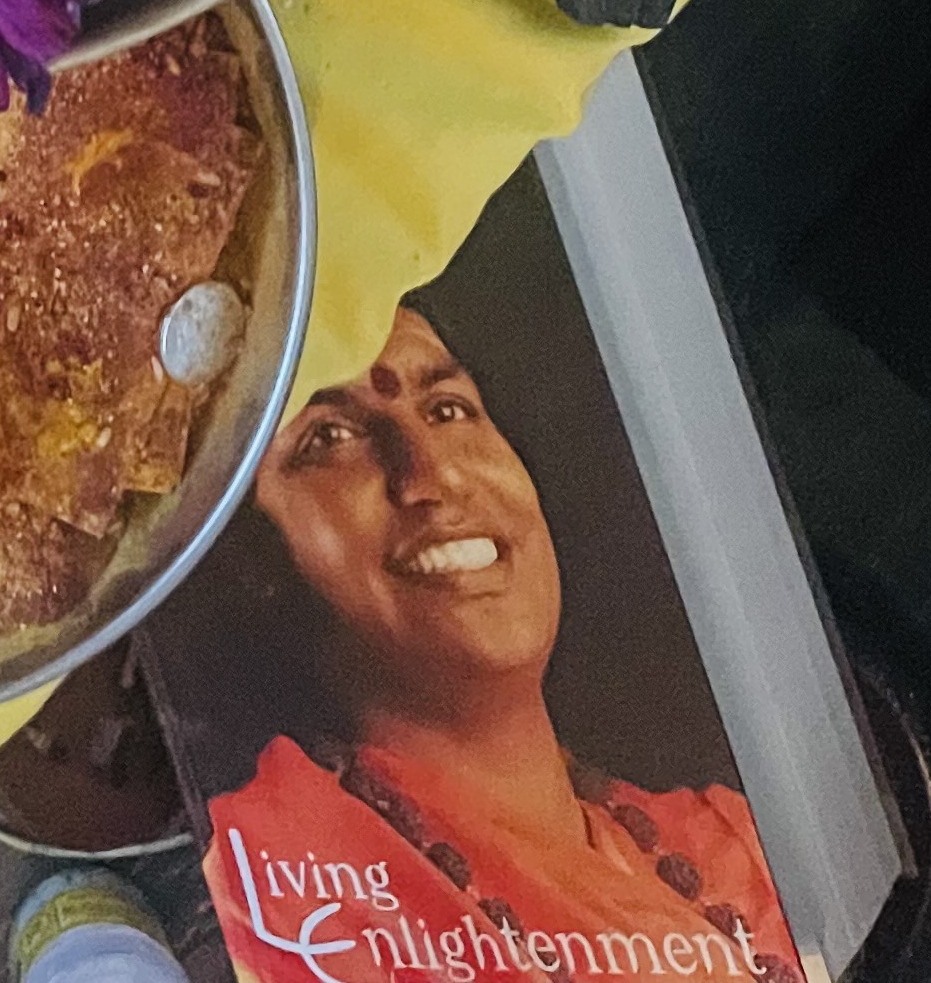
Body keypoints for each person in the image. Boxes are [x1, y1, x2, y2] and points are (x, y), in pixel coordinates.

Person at [201, 305, 800, 983]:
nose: (432, 474)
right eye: (330, 437)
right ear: (250, 564)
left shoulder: (741, 849)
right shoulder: (283, 888)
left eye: (448, 410)